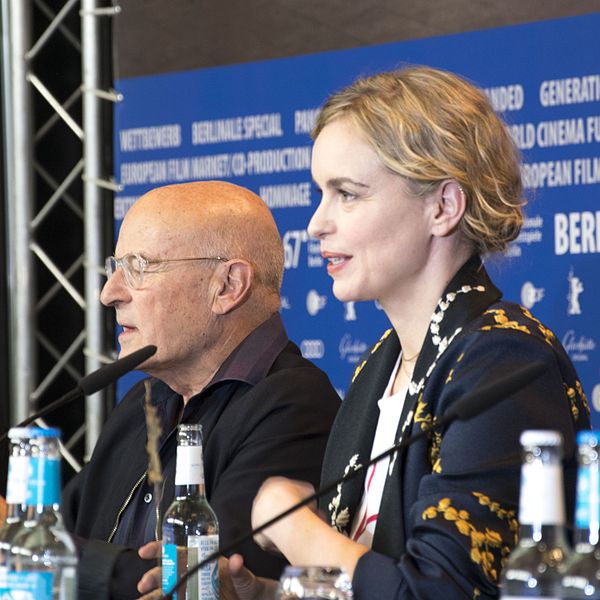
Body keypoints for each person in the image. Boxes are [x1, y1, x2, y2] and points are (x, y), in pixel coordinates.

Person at [223, 66, 591, 599]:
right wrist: (263, 592)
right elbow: (368, 566)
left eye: (347, 194)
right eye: (321, 193)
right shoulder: (383, 360)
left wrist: (292, 525)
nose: (316, 224)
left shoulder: (505, 361)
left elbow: (434, 593)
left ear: (442, 207)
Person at [61, 181, 340, 600]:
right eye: (115, 267)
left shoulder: (295, 406)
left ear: (228, 286)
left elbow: (204, 580)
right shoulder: (145, 401)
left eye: (138, 266)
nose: (110, 293)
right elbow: (63, 536)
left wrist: (33, 547)